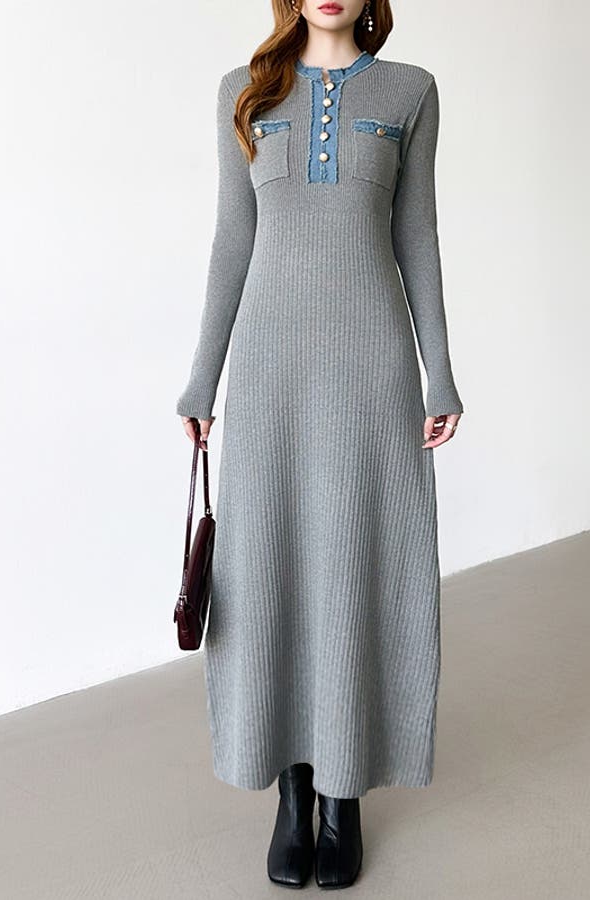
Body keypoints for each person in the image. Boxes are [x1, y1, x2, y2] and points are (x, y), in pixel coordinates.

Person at [176, 0, 464, 889]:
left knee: (356, 563)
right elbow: (233, 238)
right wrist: (202, 378)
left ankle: (344, 794)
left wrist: (441, 373)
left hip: (372, 365)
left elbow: (418, 236)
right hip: (269, 370)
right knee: (270, 570)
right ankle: (291, 791)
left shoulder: (410, 91)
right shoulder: (245, 92)